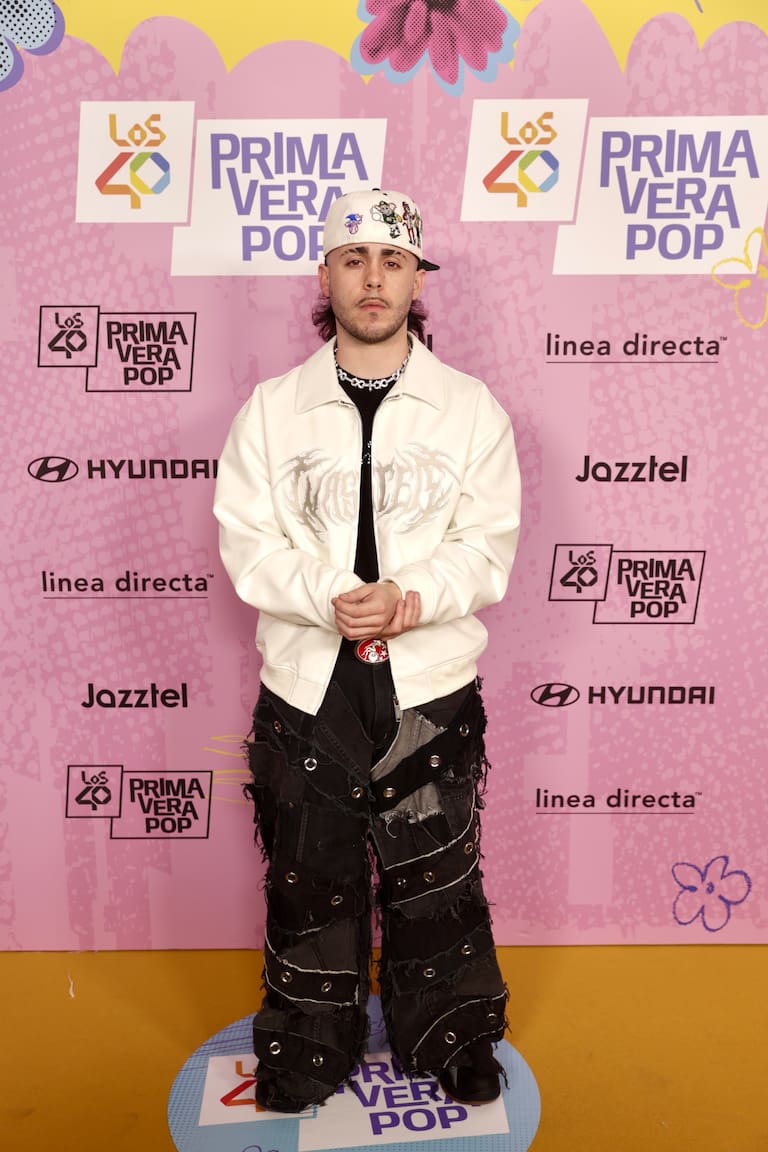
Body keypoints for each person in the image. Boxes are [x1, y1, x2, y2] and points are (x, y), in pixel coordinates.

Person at [214, 188, 521, 1113]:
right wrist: (330, 599)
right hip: (309, 686)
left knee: (437, 869)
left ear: (418, 279)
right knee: (312, 874)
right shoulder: (272, 410)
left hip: (428, 684)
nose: (374, 277)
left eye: (394, 260)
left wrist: (409, 599)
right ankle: (310, 1044)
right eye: (354, 259)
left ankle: (454, 1035)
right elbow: (248, 540)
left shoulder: (469, 409)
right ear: (326, 276)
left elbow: (487, 544)